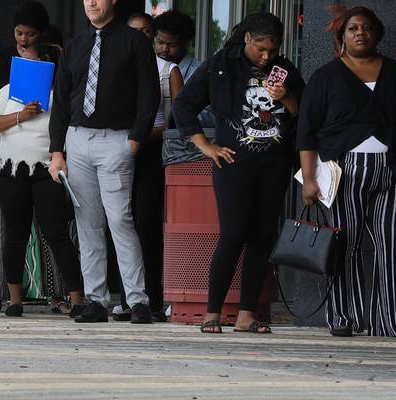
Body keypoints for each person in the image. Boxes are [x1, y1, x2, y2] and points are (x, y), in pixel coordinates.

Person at [173, 13, 303, 334]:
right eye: (261, 48)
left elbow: (306, 114)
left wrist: (286, 97)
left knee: (262, 238)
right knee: (232, 235)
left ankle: (247, 314)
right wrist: (205, 145)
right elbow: (184, 104)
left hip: (274, 165)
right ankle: (212, 312)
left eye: (273, 50)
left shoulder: (284, 70)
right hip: (232, 165)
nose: (266, 57)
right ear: (247, 38)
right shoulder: (222, 65)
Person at [47, 0, 159, 324]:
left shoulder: (135, 41)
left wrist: (135, 140)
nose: (91, 3)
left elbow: (149, 95)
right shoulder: (74, 45)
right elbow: (62, 103)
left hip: (118, 140)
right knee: (87, 223)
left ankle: (137, 300)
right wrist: (57, 152)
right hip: (78, 139)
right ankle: (96, 300)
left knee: (120, 220)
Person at [298, 6, 395, 337]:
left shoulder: (394, 72)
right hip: (343, 170)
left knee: (390, 244)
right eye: (353, 28)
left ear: (377, 33)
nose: (360, 33)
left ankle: (387, 321)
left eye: (367, 27)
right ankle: (343, 317)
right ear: (342, 37)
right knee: (346, 244)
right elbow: (307, 131)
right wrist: (309, 179)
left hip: (390, 171)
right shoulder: (326, 77)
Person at [0, 43, 85, 318]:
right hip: (10, 170)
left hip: (47, 169)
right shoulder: (7, 92)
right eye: (24, 64)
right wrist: (20, 115)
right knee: (15, 234)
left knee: (57, 234)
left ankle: (78, 299)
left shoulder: (62, 97)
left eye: (37, 65)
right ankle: (14, 300)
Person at [123, 11, 184, 322]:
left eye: (147, 32)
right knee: (121, 222)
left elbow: (179, 118)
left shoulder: (167, 69)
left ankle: (154, 298)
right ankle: (124, 298)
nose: (142, 38)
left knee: (146, 223)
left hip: (152, 151)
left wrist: (145, 136)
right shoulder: (120, 67)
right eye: (135, 32)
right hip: (120, 150)